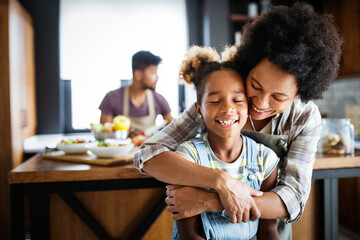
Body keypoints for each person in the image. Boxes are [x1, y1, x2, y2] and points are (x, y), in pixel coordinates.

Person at [134, 3, 342, 239]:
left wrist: (212, 200)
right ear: (250, 65)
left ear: (299, 94)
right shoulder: (223, 101)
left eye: (278, 97)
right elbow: (148, 155)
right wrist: (221, 182)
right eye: (255, 85)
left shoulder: (304, 116)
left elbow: (293, 198)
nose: (260, 103)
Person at [172, 45, 280, 240]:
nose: (228, 109)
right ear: (199, 110)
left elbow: (268, 231)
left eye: (237, 100)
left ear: (249, 106)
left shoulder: (265, 159)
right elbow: (189, 234)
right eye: (214, 102)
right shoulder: (188, 157)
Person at [99, 50, 173, 132]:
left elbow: (175, 129)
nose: (157, 77)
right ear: (138, 74)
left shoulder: (159, 99)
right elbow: (104, 134)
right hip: (121, 145)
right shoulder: (111, 98)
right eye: (153, 72)